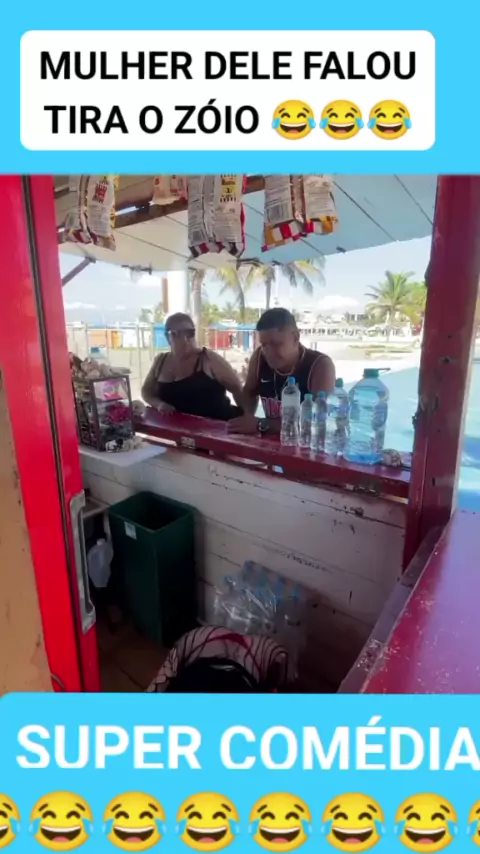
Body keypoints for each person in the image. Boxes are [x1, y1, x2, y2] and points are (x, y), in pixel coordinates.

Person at [228, 307, 335, 435]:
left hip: (303, 444)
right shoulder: (259, 358)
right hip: (270, 443)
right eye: (264, 345)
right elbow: (249, 392)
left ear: (295, 337)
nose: (268, 352)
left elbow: (317, 420)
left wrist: (261, 424)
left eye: (276, 344)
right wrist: (247, 417)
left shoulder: (320, 366)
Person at [141, 313, 245, 420]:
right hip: (178, 427)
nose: (185, 339)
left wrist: (247, 417)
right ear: (167, 337)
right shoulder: (160, 361)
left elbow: (238, 389)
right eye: (176, 334)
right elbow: (146, 391)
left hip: (219, 425)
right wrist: (159, 404)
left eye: (190, 333)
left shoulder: (209, 359)